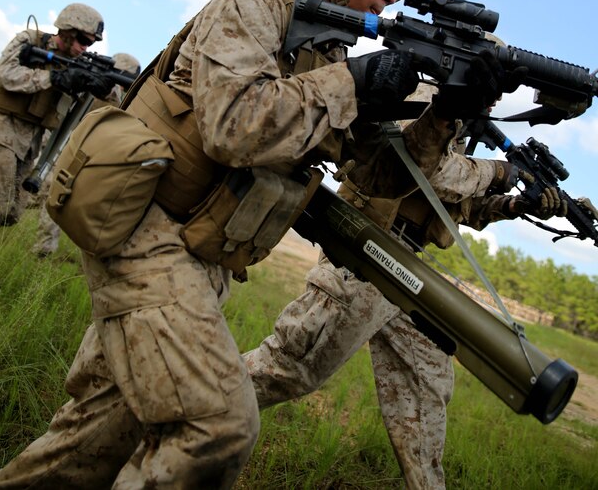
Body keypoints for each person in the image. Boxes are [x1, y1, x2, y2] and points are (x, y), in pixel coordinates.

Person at [0, 0, 508, 490]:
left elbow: (377, 177)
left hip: (198, 249)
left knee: (94, 438)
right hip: (145, 227)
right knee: (217, 426)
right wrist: (356, 82)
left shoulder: (331, 55)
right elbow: (233, 125)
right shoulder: (253, 6)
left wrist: (444, 115)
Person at [243, 82, 567, 490]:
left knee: (426, 389)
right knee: (292, 368)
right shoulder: (425, 98)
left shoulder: (462, 127)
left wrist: (515, 205)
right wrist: (499, 173)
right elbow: (430, 168)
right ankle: (187, 409)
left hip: (412, 270)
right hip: (370, 252)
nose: (498, 97)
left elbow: (458, 207)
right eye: (496, 83)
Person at [0, 4, 109, 226]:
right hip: (4, 130)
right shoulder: (31, 41)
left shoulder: (79, 65)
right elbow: (6, 74)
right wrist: (53, 79)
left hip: (31, 142)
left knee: (11, 215)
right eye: (84, 41)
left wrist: (94, 87)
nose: (85, 49)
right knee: (0, 205)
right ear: (68, 31)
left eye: (90, 44)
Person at [32, 52, 141, 258]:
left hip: (75, 151)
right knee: (47, 192)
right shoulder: (97, 85)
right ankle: (43, 250)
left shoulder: (112, 92)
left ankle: (43, 250)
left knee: (50, 194)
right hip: (64, 145)